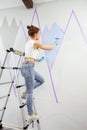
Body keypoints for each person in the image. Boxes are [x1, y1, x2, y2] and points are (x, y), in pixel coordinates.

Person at [21, 25, 57, 121]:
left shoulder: (29, 43)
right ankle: (30, 115)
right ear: (35, 34)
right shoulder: (35, 42)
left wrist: (37, 60)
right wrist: (55, 44)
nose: (40, 36)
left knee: (41, 80)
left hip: (29, 66)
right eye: (39, 34)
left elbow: (29, 56)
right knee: (30, 93)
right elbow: (48, 47)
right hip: (28, 67)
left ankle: (25, 92)